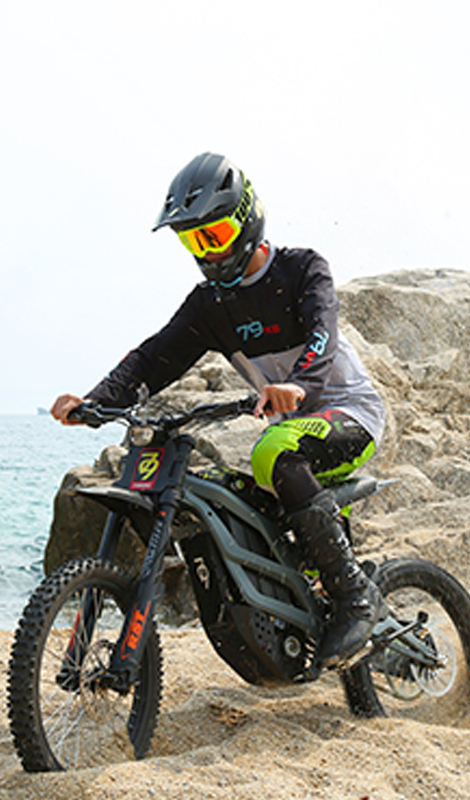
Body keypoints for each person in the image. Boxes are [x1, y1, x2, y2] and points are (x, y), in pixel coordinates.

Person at [51, 152, 387, 667]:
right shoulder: (210, 305)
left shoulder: (302, 269)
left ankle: (354, 597)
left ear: (248, 218)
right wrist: (94, 402)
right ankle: (295, 597)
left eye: (216, 234)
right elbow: (153, 358)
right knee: (229, 493)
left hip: (351, 415)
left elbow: (323, 331)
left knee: (273, 452)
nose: (207, 252)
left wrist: (299, 386)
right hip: (293, 430)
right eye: (194, 241)